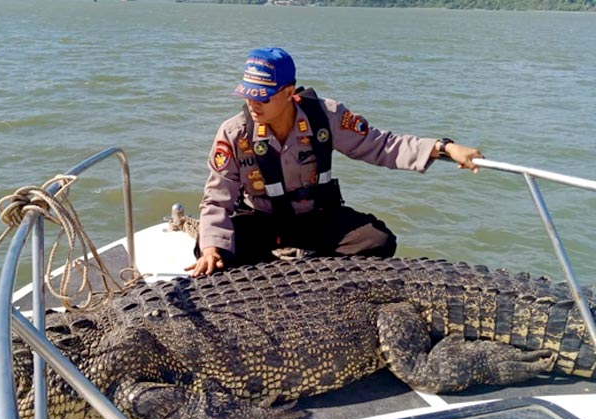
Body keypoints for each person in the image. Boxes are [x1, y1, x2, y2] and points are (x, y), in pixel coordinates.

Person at [186, 47, 484, 277]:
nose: (252, 104)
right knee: (212, 251)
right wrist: (212, 248)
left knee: (378, 241)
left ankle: (318, 280)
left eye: (262, 97)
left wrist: (443, 148)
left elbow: (381, 145)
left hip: (314, 217)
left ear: (289, 93)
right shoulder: (234, 132)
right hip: (261, 219)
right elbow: (217, 196)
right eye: (247, 95)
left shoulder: (324, 117)